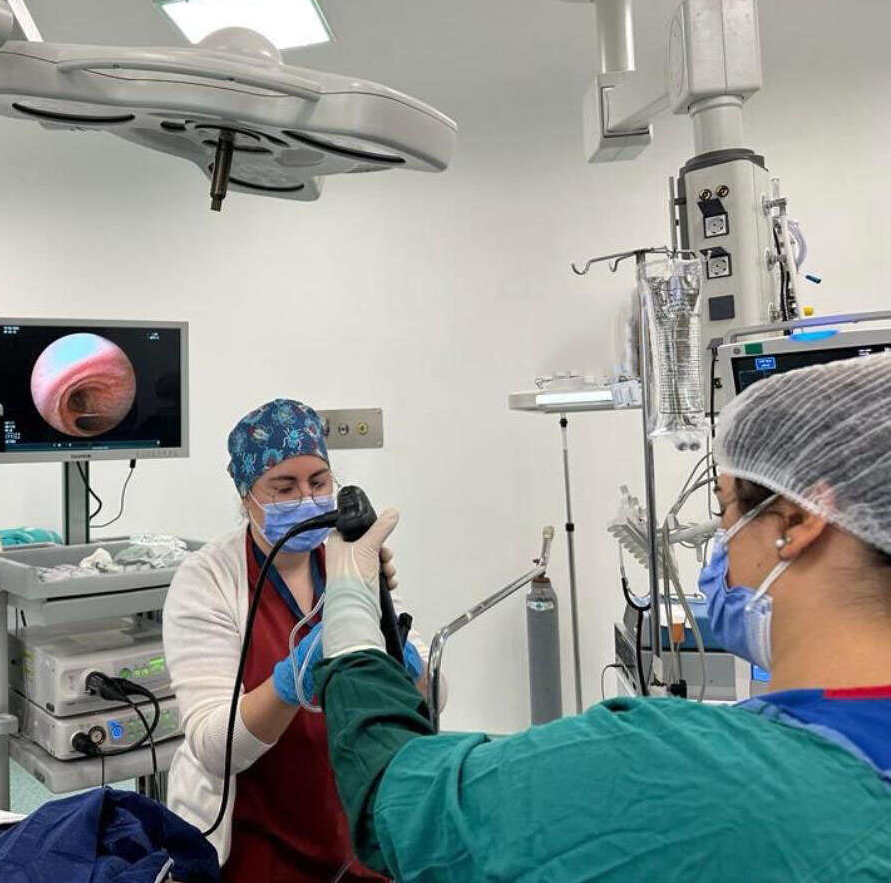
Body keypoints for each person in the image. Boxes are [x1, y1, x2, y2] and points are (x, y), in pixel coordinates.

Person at [315, 354, 891, 881]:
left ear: (797, 519)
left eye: (725, 509)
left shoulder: (685, 770)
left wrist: (350, 612)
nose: (719, 540)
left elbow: (397, 804)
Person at [163, 398, 431, 881]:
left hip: (356, 830)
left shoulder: (348, 562)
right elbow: (212, 746)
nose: (307, 499)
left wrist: (396, 649)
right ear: (246, 495)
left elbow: (427, 702)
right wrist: (295, 678)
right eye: (284, 488)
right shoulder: (207, 581)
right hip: (256, 842)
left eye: (319, 482)